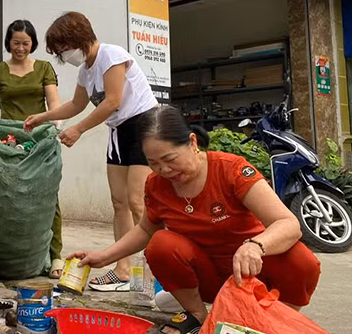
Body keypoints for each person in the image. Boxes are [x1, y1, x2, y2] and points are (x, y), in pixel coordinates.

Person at [69, 106, 321, 334]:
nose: (164, 170)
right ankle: (197, 314)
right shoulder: (156, 185)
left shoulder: (230, 169)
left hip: (250, 272)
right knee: (161, 244)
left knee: (302, 260)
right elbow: (146, 229)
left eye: (170, 159)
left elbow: (288, 224)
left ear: (192, 142)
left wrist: (256, 246)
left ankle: (275, 320)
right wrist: (105, 257)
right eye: (153, 163)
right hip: (206, 276)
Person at [24, 12, 157, 291]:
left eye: (63, 48)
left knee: (138, 201)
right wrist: (42, 117)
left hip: (144, 126)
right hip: (119, 130)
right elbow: (76, 104)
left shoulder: (111, 55)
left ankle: (157, 269)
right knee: (119, 202)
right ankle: (122, 270)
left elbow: (112, 101)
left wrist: (79, 130)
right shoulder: (86, 70)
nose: (64, 55)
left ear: (78, 38)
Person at [0, 19, 65, 278]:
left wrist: (56, 125)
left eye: (25, 43)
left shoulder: (44, 68)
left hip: (38, 140)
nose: (20, 48)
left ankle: (55, 255)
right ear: (8, 43)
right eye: (15, 43)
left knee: (46, 195)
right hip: (8, 142)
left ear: (33, 43)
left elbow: (54, 102)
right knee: (6, 196)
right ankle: (4, 253)